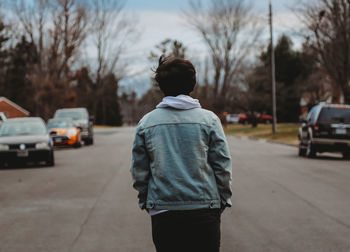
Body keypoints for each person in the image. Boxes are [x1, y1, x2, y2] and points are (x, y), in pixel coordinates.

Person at [130, 56, 232, 252]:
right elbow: (222, 165)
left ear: (161, 85)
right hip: (204, 210)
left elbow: (139, 170)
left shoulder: (147, 123)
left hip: (164, 211)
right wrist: (223, 199)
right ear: (192, 84)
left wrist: (147, 201)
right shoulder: (209, 120)